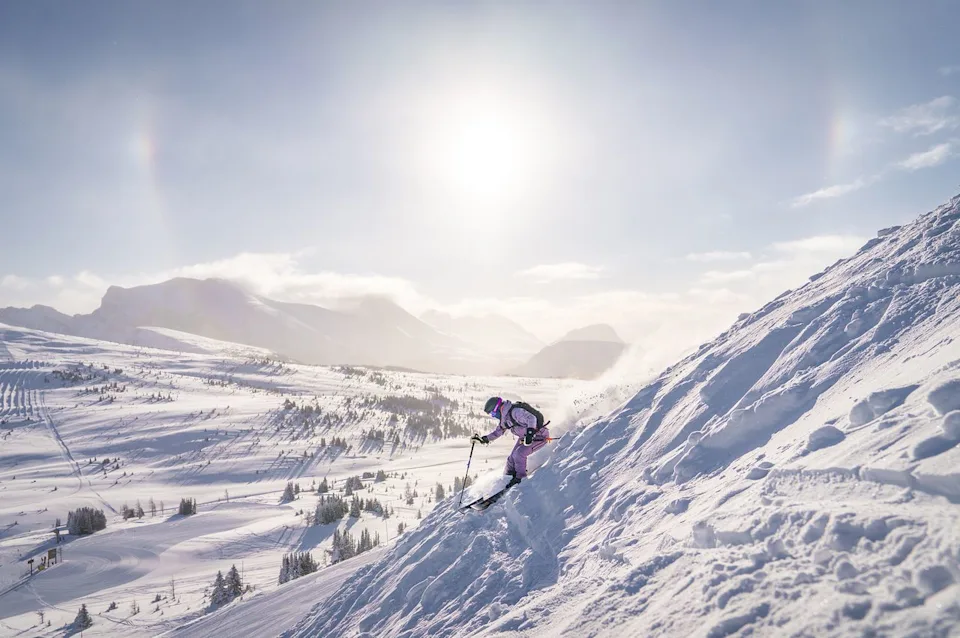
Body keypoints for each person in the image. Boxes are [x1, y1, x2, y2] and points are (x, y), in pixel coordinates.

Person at [472, 396, 550, 490]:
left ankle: (520, 478)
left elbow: (531, 418)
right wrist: (484, 439)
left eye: (493, 413)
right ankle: (507, 478)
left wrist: (530, 433)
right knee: (511, 459)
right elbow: (498, 432)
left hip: (539, 435)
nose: (493, 416)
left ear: (497, 408)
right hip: (524, 437)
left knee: (519, 454)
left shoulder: (515, 411)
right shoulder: (504, 419)